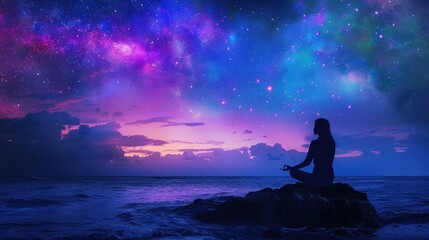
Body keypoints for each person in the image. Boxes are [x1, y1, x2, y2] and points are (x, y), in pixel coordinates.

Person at [281, 118, 335, 187]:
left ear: (321, 128)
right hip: (329, 178)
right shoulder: (331, 142)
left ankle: (313, 184)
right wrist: (292, 167)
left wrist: (292, 168)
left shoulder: (315, 143)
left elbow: (307, 162)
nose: (313, 129)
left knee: (293, 172)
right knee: (293, 171)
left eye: (315, 127)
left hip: (318, 178)